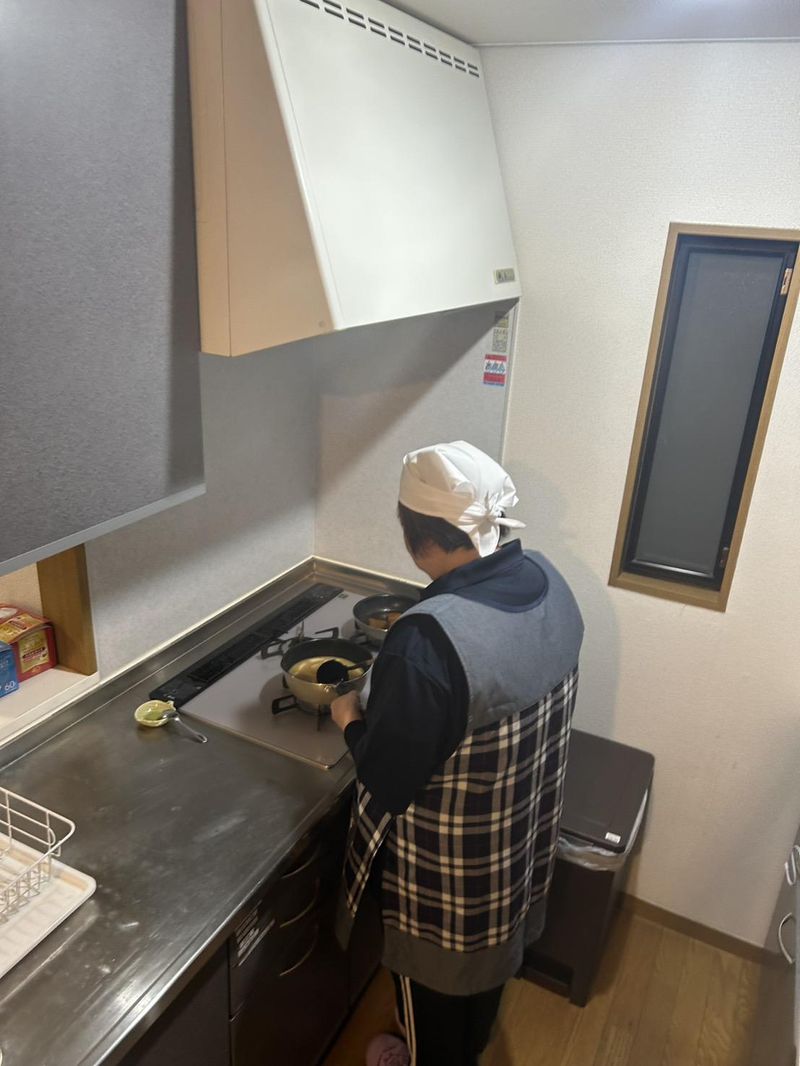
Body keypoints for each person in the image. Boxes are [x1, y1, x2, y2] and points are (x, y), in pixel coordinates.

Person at [331, 441, 584, 1066]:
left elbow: (387, 778)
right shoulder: (549, 581)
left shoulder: (428, 639)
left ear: (417, 538)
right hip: (516, 853)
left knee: (435, 1009)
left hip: (450, 891)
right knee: (481, 992)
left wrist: (349, 718)